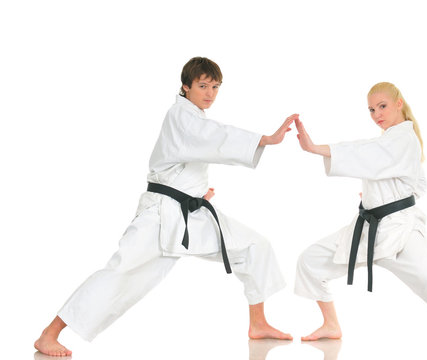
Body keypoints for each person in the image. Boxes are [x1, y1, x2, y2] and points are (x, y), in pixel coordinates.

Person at [34, 57, 294, 357]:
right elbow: (214, 138)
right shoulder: (181, 115)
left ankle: (258, 324)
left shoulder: (193, 116)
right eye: (203, 85)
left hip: (190, 213)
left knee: (254, 246)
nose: (210, 93)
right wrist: (265, 139)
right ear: (186, 86)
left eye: (215, 87)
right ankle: (48, 334)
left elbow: (187, 155)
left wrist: (197, 192)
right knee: (121, 272)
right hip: (160, 215)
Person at [293, 82, 427, 360]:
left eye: (382, 106)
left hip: (399, 232)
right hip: (367, 229)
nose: (376, 113)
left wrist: (317, 148)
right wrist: (378, 195)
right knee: (310, 260)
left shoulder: (403, 137)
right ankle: (331, 324)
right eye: (371, 109)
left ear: (399, 103)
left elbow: (369, 155)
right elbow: (416, 182)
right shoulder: (390, 140)